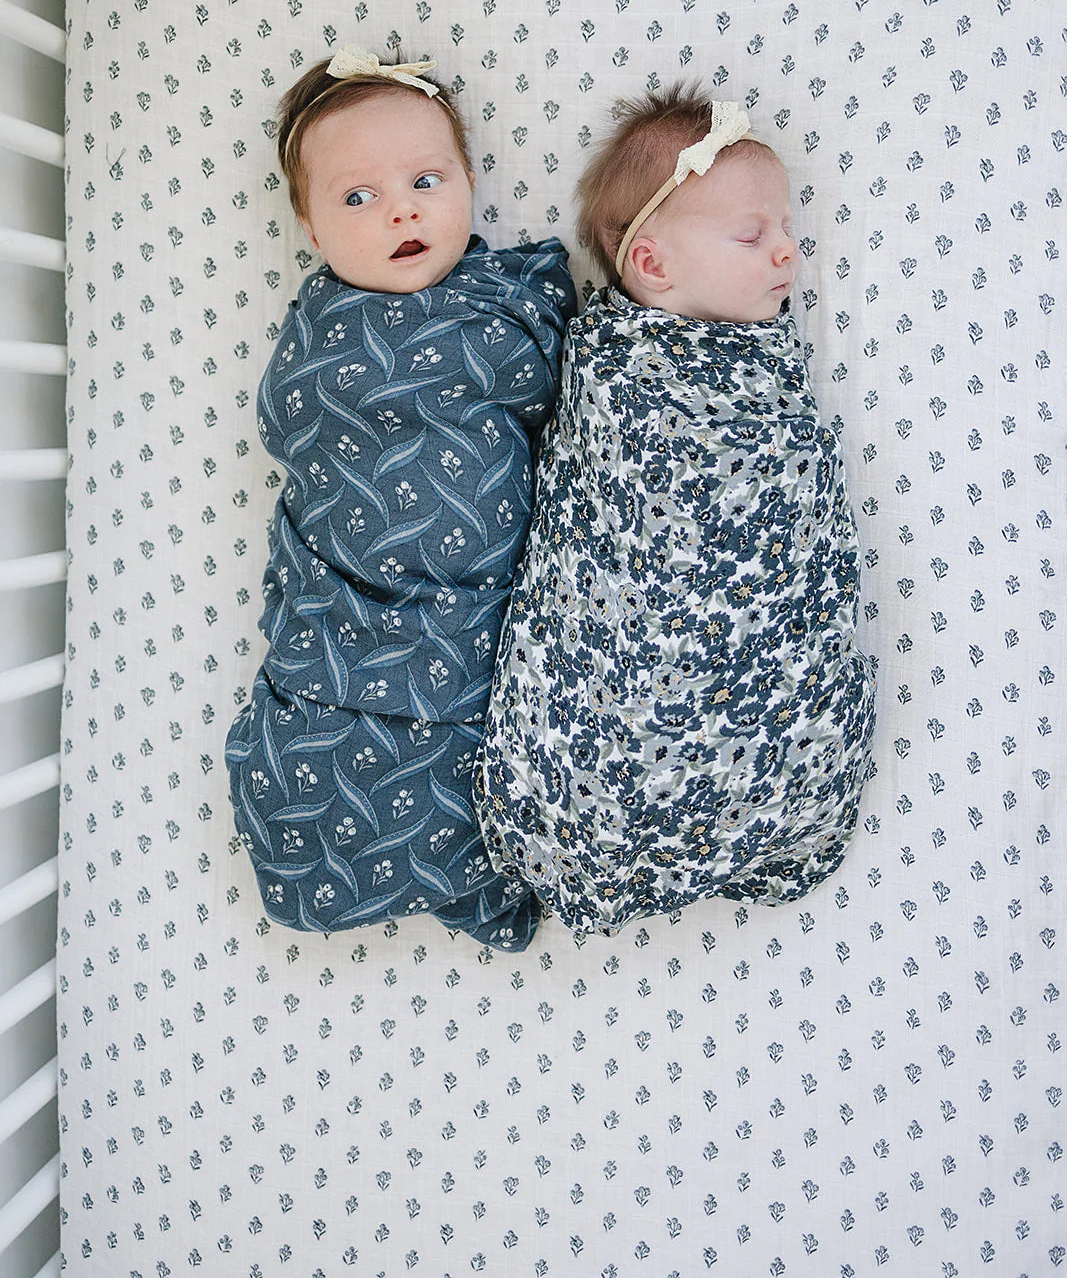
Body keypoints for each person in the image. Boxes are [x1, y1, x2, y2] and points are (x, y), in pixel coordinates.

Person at [474, 83, 877, 936]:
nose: (787, 253)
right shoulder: (615, 369)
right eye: (752, 235)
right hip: (621, 698)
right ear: (653, 266)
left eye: (787, 229)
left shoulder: (764, 360)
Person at [226, 46, 576, 951]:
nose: (402, 211)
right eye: (358, 197)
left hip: (473, 619)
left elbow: (563, 405)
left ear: (468, 182)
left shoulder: (506, 302)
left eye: (426, 180)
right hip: (344, 614)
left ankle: (473, 873)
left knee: (481, 756)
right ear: (309, 228)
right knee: (301, 763)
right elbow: (290, 425)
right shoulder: (318, 338)